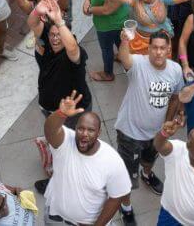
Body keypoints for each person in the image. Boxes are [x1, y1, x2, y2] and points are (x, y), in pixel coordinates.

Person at [41, 92, 133, 225]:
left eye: (90, 130)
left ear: (98, 133)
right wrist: (61, 114)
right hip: (56, 218)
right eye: (81, 129)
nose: (84, 134)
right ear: (75, 129)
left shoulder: (113, 161)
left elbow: (116, 197)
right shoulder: (65, 141)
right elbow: (50, 131)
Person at [113, 29, 183, 198]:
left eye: (162, 48)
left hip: (156, 134)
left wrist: (168, 122)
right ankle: (125, 205)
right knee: (127, 176)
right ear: (148, 49)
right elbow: (125, 58)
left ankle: (146, 174)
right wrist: (124, 42)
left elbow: (175, 98)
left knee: (149, 159)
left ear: (168, 49)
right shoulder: (138, 64)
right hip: (130, 134)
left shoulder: (175, 70)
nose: (158, 52)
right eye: (154, 48)